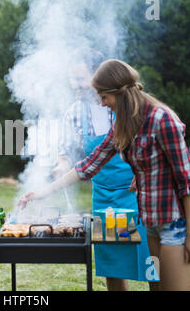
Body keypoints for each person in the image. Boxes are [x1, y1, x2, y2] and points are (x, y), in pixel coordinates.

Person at [20, 59, 190, 291]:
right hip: (150, 221)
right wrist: (42, 192)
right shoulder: (122, 124)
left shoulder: (161, 119)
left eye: (104, 97)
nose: (102, 103)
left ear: (119, 92)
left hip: (175, 222)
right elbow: (89, 165)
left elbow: (187, 179)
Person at [52, 61, 156, 291]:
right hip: (104, 198)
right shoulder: (75, 112)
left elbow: (150, 145)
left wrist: (143, 172)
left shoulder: (126, 106)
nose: (74, 84)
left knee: (150, 261)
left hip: (136, 193)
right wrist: (61, 165)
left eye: (80, 78)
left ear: (97, 76)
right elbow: (68, 152)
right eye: (71, 78)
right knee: (113, 263)